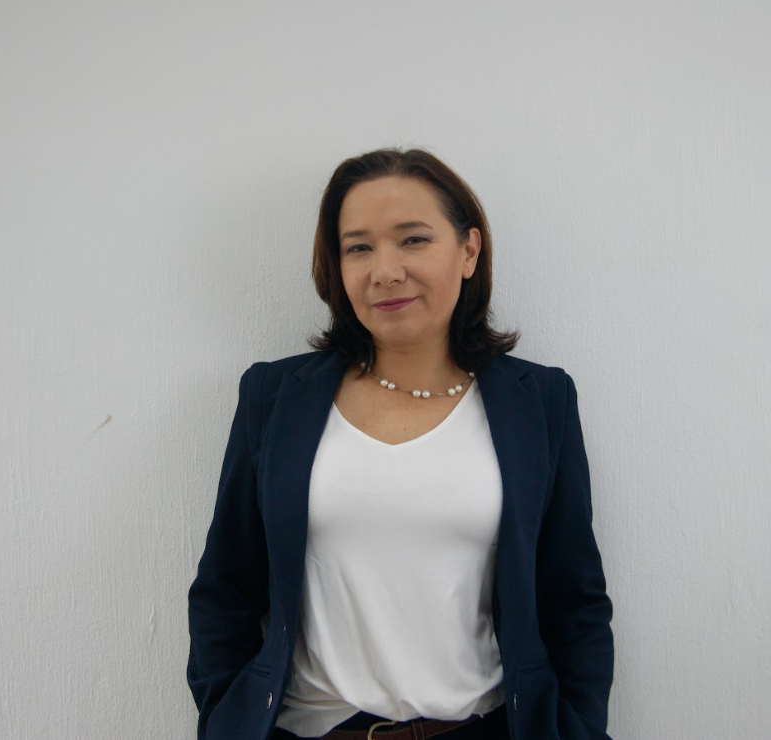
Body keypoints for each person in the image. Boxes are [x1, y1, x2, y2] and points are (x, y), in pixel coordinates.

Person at [186, 147, 614, 740]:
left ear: (469, 251)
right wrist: (224, 716)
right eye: (358, 247)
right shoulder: (275, 397)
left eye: (413, 240)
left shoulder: (539, 402)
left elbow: (574, 601)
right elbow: (225, 589)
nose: (385, 271)